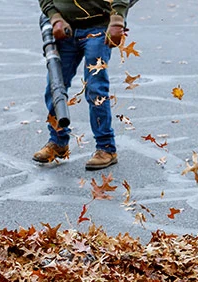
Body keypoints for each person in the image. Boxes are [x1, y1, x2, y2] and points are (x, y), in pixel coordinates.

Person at [33, 0, 131, 171]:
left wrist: (116, 20)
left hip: (99, 28)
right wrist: (55, 18)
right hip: (65, 26)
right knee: (54, 87)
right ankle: (58, 141)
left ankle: (106, 148)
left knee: (95, 87)